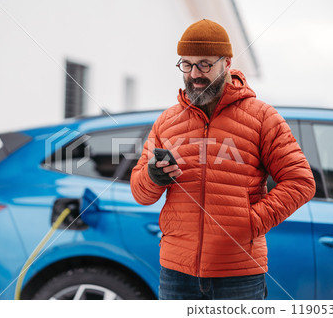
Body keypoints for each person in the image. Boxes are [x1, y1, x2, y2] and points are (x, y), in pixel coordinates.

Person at [130, 19, 316, 300]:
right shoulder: (167, 122)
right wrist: (152, 177)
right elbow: (140, 192)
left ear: (227, 62)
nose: (194, 74)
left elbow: (301, 182)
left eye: (204, 64)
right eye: (186, 64)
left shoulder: (262, 117)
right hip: (177, 273)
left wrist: (249, 223)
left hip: (239, 273)